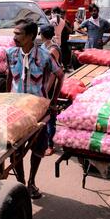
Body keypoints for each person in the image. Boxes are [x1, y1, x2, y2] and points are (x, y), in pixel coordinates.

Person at [6, 20, 65, 199]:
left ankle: (31, 181)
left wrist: (53, 101)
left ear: (31, 36)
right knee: (14, 149)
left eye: (18, 34)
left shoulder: (45, 56)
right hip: (16, 110)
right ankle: (21, 183)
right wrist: (4, 99)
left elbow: (60, 75)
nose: (14, 37)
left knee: (37, 148)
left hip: (38, 110)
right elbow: (9, 76)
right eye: (14, 33)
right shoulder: (10, 53)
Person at [39, 25, 62, 157]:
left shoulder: (53, 49)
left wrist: (47, 89)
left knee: (50, 116)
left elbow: (54, 73)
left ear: (42, 34)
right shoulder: (44, 47)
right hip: (43, 83)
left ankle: (50, 145)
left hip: (50, 86)